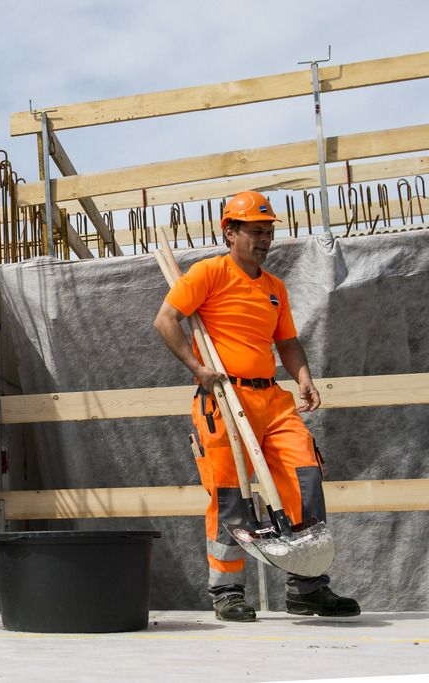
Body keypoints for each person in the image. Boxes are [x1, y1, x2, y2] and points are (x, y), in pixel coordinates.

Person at [152, 190, 360, 622]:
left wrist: (302, 376)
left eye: (268, 232)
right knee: (231, 494)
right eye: (255, 231)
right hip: (225, 398)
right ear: (230, 232)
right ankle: (226, 590)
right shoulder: (209, 273)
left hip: (272, 398)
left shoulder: (274, 288)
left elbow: (286, 342)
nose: (264, 239)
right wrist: (198, 368)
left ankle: (308, 587)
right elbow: (166, 320)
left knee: (305, 478)